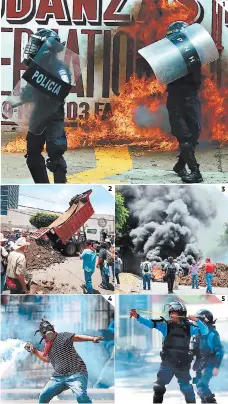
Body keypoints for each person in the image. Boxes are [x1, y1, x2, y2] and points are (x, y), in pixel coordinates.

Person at [130, 301, 209, 403]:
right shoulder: (165, 326)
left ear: (181, 314)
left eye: (174, 312)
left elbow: (205, 331)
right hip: (168, 362)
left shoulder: (189, 327)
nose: (172, 315)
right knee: (158, 387)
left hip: (183, 363)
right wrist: (137, 316)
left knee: (186, 389)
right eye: (171, 312)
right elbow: (150, 323)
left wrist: (197, 320)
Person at [22, 29, 71, 183]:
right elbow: (27, 93)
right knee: (33, 155)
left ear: (47, 47)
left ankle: (59, 188)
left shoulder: (60, 68)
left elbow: (63, 88)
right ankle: (42, 185)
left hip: (54, 115)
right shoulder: (37, 67)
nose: (32, 46)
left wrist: (48, 92)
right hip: (38, 114)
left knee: (56, 155)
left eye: (37, 43)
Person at [24, 319, 104, 403]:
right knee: (43, 395)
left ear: (52, 329)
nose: (48, 332)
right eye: (45, 331)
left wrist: (93, 338)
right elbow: (47, 359)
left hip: (76, 373)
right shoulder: (47, 345)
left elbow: (77, 337)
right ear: (42, 334)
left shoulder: (63, 336)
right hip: (59, 376)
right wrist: (34, 351)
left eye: (49, 329)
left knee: (80, 395)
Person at [165, 21, 203, 183]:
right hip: (176, 102)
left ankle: (180, 166)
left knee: (193, 137)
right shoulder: (167, 57)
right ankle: (195, 172)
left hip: (192, 100)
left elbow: (196, 80)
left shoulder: (194, 55)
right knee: (185, 138)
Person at [193, 310, 224, 403]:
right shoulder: (198, 333)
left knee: (202, 386)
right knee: (199, 389)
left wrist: (216, 366)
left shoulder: (212, 334)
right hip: (200, 364)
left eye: (198, 320)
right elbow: (196, 350)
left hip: (209, 363)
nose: (196, 322)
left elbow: (219, 350)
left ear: (205, 320)